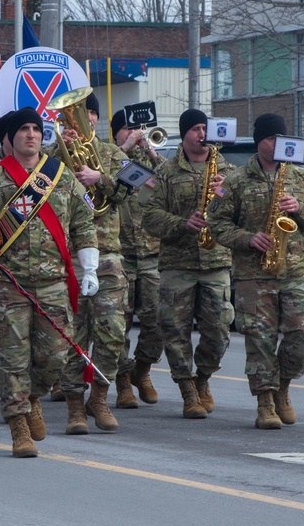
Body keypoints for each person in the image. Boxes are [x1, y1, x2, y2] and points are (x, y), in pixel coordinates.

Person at [0, 107, 98, 457]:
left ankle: (33, 395)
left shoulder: (62, 177)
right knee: (12, 358)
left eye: (36, 129)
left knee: (54, 356)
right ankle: (18, 425)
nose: (31, 135)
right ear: (11, 137)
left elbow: (82, 223)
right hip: (7, 283)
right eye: (23, 129)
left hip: (53, 281)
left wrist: (91, 266)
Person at [207, 113, 304, 429]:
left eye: (281, 139)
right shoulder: (236, 180)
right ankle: (265, 402)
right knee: (259, 339)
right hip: (254, 273)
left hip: (295, 270)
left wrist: (299, 209)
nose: (276, 145)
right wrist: (248, 239)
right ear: (259, 141)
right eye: (270, 139)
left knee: (303, 335)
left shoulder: (301, 178)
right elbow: (217, 224)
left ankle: (284, 386)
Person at [141, 109, 235, 419]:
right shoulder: (165, 172)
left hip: (216, 261)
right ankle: (187, 391)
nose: (201, 134)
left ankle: (203, 378)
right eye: (195, 129)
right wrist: (183, 224)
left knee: (219, 331)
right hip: (178, 265)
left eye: (205, 128)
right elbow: (149, 217)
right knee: (175, 331)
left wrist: (228, 192)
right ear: (185, 135)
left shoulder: (229, 170)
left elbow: (245, 214)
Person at [55, 92, 129, 435]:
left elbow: (130, 191)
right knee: (74, 334)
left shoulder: (113, 154)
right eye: (78, 114)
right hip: (68, 254)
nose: (85, 120)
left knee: (113, 332)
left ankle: (99, 396)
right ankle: (74, 405)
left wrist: (102, 179)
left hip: (107, 254)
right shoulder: (52, 155)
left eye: (89, 114)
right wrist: (59, 152)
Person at [110, 109, 165, 409]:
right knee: (120, 325)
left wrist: (152, 153)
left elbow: (174, 182)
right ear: (117, 133)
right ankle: (122, 382)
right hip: (119, 255)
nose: (137, 134)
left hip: (152, 256)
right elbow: (99, 182)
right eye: (129, 130)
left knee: (158, 322)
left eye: (140, 130)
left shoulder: (154, 165)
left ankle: (142, 370)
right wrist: (124, 150)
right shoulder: (108, 157)